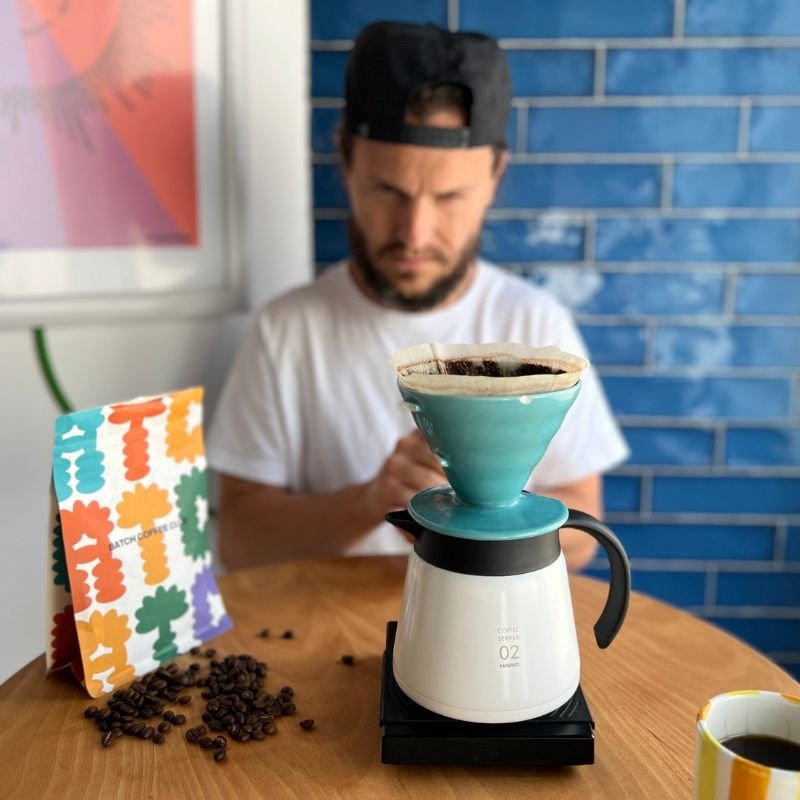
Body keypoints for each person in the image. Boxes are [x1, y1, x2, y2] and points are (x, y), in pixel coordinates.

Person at [207, 21, 628, 573]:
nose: (414, 233)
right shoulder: (286, 330)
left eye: (450, 196)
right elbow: (238, 541)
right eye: (388, 190)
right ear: (347, 160)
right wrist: (371, 502)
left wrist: (479, 514)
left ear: (495, 176)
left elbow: (584, 531)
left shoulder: (534, 325)